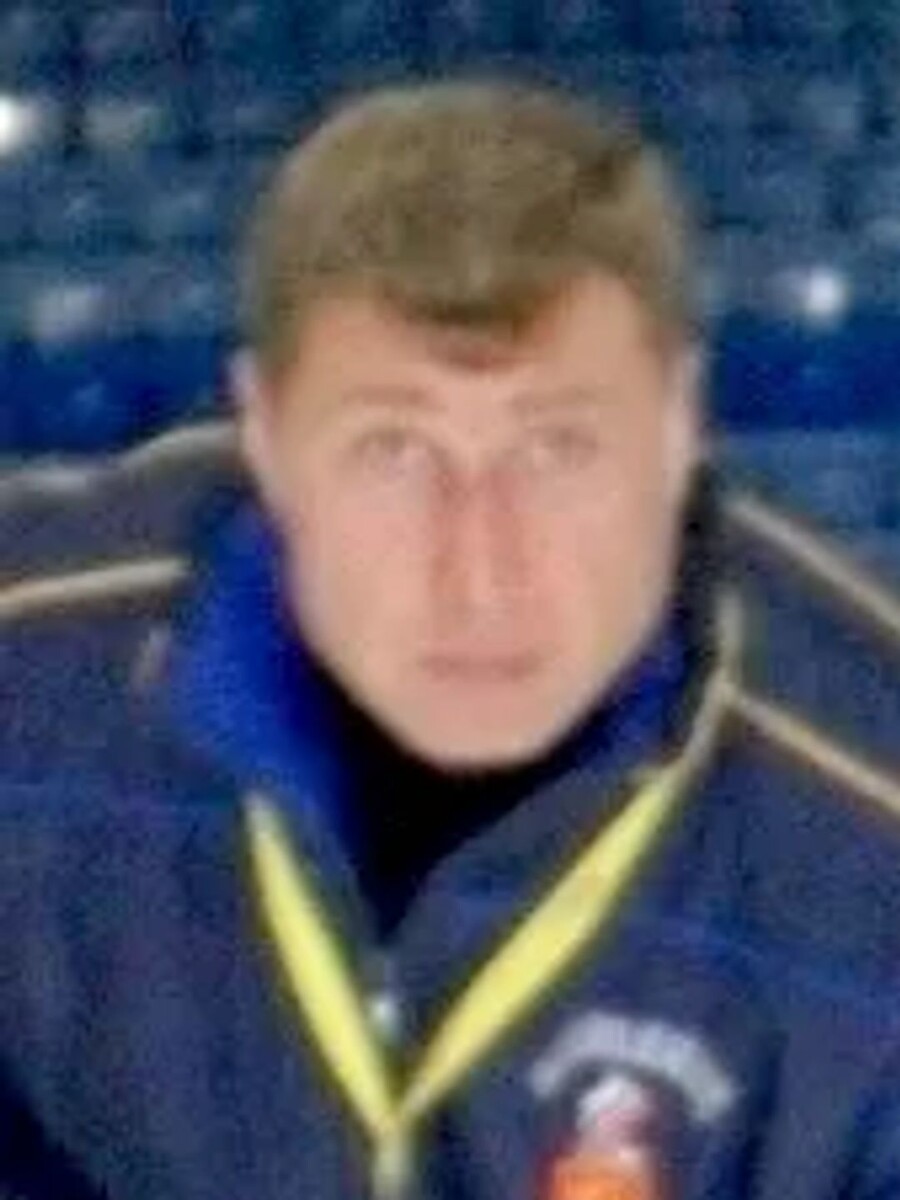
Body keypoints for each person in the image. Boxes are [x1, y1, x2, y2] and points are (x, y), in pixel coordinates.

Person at [1, 78, 900, 1200]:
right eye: (395, 452)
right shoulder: (27, 693)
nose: (480, 574)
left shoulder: (873, 836)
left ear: (681, 426)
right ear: (262, 432)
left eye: (559, 450)